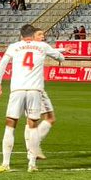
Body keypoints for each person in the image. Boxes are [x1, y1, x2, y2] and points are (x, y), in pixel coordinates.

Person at [0, 24, 66, 172]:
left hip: (17, 89)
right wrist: (59, 54)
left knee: (10, 124)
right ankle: (32, 164)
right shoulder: (42, 46)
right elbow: (61, 58)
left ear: (21, 36)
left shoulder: (14, 46)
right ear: (33, 35)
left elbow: (3, 63)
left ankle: (6, 163)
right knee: (33, 125)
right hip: (35, 90)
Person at [33, 28, 58, 160]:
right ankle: (34, 146)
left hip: (24, 88)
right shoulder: (41, 46)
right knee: (49, 118)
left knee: (33, 121)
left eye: (43, 34)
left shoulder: (24, 47)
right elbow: (55, 54)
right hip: (37, 88)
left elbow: (52, 51)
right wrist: (62, 54)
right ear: (32, 36)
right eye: (40, 34)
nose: (43, 36)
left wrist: (63, 50)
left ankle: (34, 146)